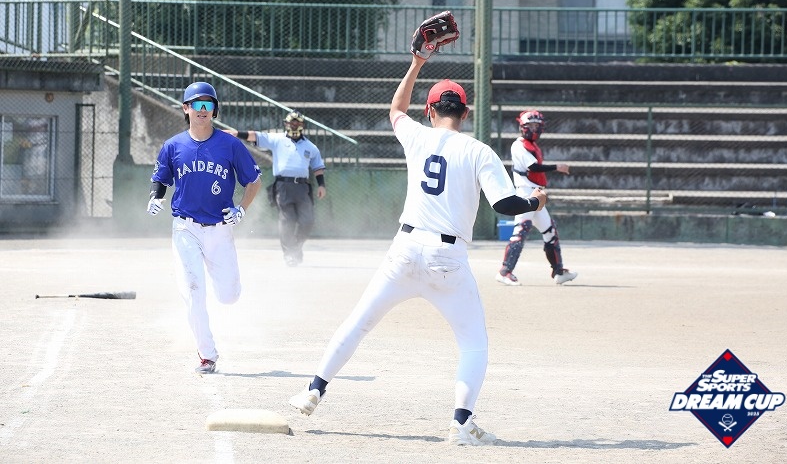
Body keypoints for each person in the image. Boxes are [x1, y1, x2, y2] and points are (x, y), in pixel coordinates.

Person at [288, 51, 551, 446]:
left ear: (430, 111)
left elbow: (396, 109)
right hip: (448, 260)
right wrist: (535, 202)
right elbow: (504, 205)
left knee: (359, 322)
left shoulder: (417, 135)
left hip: (405, 249)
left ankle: (314, 389)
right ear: (465, 113)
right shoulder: (479, 150)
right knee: (473, 343)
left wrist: (417, 63)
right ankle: (461, 424)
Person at [146, 81, 262, 374]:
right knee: (193, 290)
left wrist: (241, 209)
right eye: (196, 104)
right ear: (185, 108)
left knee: (228, 296)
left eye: (208, 104)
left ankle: (219, 280)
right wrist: (155, 198)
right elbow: (161, 178)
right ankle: (207, 355)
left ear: (214, 110)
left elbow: (254, 181)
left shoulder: (230, 144)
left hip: (220, 230)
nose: (202, 109)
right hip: (185, 228)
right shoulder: (173, 145)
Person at [224, 111, 326, 267]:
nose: (294, 125)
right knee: (287, 220)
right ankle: (289, 254)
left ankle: (296, 247)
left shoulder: (310, 147)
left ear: (302, 125)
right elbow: (256, 136)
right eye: (291, 123)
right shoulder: (278, 139)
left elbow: (318, 167)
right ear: (286, 124)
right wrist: (237, 133)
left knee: (308, 221)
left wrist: (322, 185)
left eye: (297, 123)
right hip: (283, 186)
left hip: (302, 187)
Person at [495, 110, 578, 286]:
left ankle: (558, 271)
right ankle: (505, 272)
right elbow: (533, 167)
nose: (534, 129)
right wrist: (557, 166)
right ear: (522, 127)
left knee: (550, 231)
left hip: (536, 193)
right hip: (525, 193)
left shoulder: (532, 146)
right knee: (521, 231)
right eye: (530, 126)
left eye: (536, 126)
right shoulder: (518, 145)